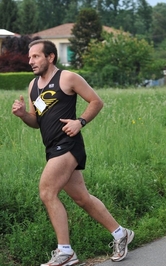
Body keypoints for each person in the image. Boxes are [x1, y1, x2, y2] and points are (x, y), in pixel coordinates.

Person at [11, 39, 134, 266]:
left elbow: (96, 101)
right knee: (81, 198)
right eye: (29, 57)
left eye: (35, 56)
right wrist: (22, 115)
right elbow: (35, 122)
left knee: (47, 191)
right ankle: (121, 233)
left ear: (50, 57)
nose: (30, 61)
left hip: (68, 144)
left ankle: (65, 251)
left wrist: (80, 122)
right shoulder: (33, 86)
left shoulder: (67, 78)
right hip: (52, 148)